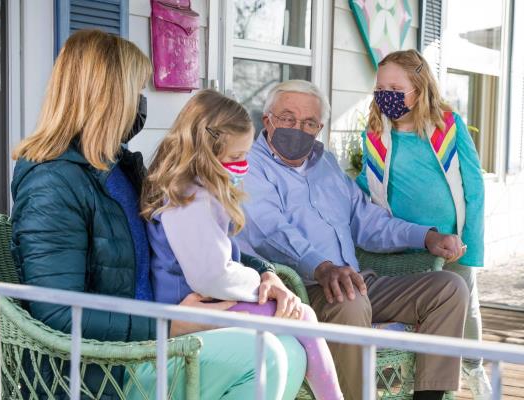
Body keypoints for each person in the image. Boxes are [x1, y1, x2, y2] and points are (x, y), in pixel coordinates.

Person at [10, 30, 306, 399]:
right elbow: (56, 314)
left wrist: (266, 275)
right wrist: (165, 325)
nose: (141, 103)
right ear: (107, 97)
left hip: (149, 345)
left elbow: (197, 242)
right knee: (268, 358)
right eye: (135, 91)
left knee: (291, 350)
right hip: (103, 368)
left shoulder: (118, 168)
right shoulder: (52, 182)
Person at [236, 79, 470, 400]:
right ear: (267, 120)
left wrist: (425, 237)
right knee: (349, 300)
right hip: (299, 291)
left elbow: (366, 220)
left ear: (318, 128)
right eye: (287, 119)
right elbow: (269, 230)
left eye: (308, 123)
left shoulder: (326, 164)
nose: (297, 129)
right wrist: (322, 267)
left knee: (449, 288)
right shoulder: (250, 167)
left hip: (355, 281)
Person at [141, 89, 343, 400]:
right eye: (236, 157)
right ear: (206, 153)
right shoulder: (189, 200)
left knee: (299, 323)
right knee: (303, 318)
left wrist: (264, 275)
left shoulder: (196, 192)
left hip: (206, 302)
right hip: (192, 307)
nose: (243, 164)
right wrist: (257, 282)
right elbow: (211, 275)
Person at [355, 49, 490, 399]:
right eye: (380, 87)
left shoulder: (448, 126)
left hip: (453, 242)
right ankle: (403, 380)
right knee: (417, 310)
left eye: (396, 87)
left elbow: (473, 187)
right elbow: (365, 185)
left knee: (464, 310)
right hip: (406, 242)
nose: (386, 94)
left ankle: (472, 367)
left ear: (418, 87)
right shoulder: (374, 135)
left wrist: (470, 245)